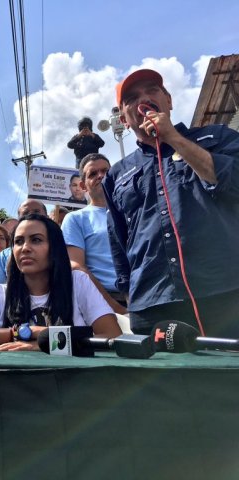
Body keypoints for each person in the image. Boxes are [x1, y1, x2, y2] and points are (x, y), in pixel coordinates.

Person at [103, 68, 239, 337]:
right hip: (153, 304)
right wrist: (132, 296)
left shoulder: (217, 138)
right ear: (123, 119)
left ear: (169, 100)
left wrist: (173, 139)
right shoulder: (116, 175)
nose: (144, 98)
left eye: (152, 90)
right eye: (132, 97)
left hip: (225, 290)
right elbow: (119, 241)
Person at [0, 214, 122, 351]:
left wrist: (43, 344)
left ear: (55, 248)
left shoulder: (78, 281)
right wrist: (19, 333)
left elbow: (113, 335)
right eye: (18, 241)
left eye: (36, 240)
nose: (25, 248)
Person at [62, 153, 127, 315]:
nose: (101, 176)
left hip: (146, 295)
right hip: (107, 302)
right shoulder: (75, 219)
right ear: (83, 186)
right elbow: (76, 266)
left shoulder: (133, 210)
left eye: (105, 171)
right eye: (93, 174)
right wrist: (115, 307)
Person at [0, 199, 47, 287]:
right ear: (19, 221)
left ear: (47, 217)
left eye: (36, 212)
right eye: (26, 213)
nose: (31, 215)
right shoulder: (4, 256)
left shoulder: (62, 249)